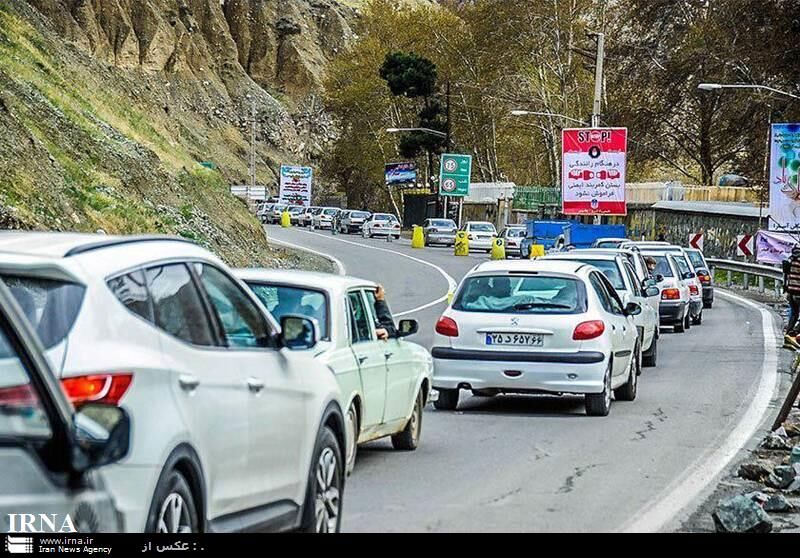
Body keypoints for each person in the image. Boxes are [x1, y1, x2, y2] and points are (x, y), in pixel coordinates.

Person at [782, 244, 800, 348]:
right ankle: (794, 333)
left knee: (794, 315)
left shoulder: (791, 260)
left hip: (791, 292)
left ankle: (788, 334)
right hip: (798, 293)